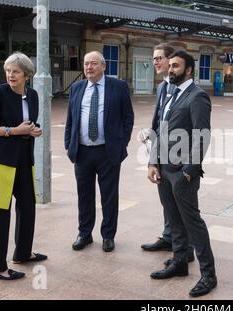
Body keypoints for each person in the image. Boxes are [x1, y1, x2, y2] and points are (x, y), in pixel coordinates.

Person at [147, 49, 217, 297]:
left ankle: (209, 275)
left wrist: (190, 169)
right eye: (170, 65)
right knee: (173, 219)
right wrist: (152, 162)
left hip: (183, 173)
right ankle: (179, 263)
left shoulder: (197, 96)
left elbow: (203, 135)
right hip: (164, 170)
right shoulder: (169, 93)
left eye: (175, 66)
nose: (170, 69)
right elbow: (160, 130)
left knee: (192, 223)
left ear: (188, 70)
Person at [0, 52, 47, 280]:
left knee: (27, 206)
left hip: (25, 157)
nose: (10, 75)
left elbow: (30, 123)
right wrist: (15, 131)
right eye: (8, 71)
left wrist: (34, 130)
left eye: (15, 71)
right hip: (1, 160)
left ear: (27, 74)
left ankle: (23, 253)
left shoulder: (33, 95)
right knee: (1, 210)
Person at [65, 51, 134, 253]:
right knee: (84, 195)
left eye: (93, 63)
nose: (89, 67)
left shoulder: (118, 87)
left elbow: (128, 117)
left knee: (109, 196)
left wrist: (122, 142)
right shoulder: (77, 88)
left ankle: (108, 236)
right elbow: (71, 119)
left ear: (103, 66)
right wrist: (69, 145)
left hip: (108, 152)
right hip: (83, 153)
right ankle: (84, 234)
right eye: (86, 64)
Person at [140, 43, 194, 265]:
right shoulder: (162, 87)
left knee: (182, 207)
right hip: (162, 154)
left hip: (179, 159)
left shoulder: (182, 87)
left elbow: (199, 132)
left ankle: (186, 249)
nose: (156, 63)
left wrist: (190, 168)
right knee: (168, 203)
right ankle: (169, 237)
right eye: (153, 59)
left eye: (159, 58)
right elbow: (159, 122)